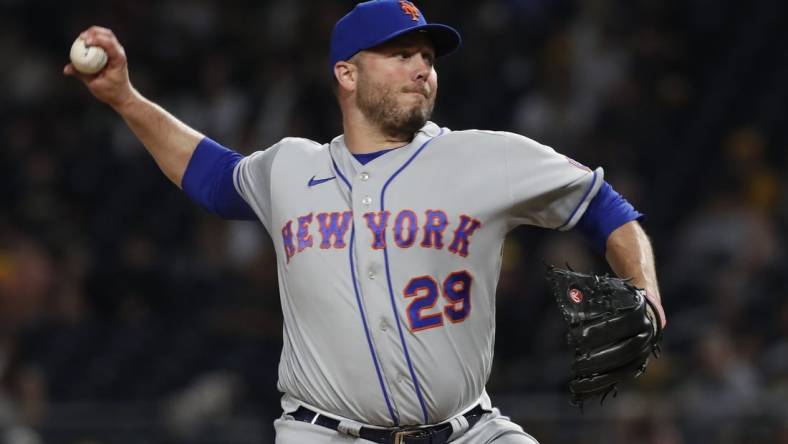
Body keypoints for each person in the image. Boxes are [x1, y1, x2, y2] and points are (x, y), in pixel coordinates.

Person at [65, 1, 666, 443]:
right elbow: (210, 176)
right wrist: (124, 97)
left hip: (467, 432)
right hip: (324, 434)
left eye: (428, 57)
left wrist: (645, 288)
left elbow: (605, 208)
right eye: (400, 54)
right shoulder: (290, 168)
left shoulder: (486, 157)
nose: (421, 68)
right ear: (346, 74)